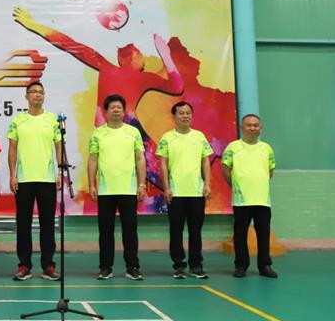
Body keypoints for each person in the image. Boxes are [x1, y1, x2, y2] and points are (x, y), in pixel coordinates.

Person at [12, 6, 183, 210]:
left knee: (154, 168)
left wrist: (166, 56)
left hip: (126, 128)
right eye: (138, 53)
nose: (143, 58)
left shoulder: (132, 74)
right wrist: (32, 24)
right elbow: (68, 44)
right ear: (129, 57)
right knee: (139, 168)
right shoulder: (114, 70)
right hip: (108, 131)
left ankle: (169, 197)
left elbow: (177, 88)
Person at [7, 81, 62, 281]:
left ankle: (48, 266)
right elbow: (12, 149)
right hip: (24, 180)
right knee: (23, 225)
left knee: (48, 225)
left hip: (47, 180)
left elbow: (59, 147)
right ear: (26, 96)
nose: (37, 95)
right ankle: (24, 266)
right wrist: (12, 175)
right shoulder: (18, 120)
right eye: (33, 92)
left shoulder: (53, 120)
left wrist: (59, 173)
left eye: (41, 92)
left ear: (44, 96)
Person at [88, 94, 146, 280]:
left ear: (124, 111)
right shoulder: (98, 133)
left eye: (119, 107)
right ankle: (106, 268)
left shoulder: (133, 132)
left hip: (128, 190)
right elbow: (93, 159)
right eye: (112, 107)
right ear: (105, 111)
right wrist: (91, 184)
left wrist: (142, 183)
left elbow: (140, 159)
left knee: (130, 231)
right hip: (105, 190)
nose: (116, 110)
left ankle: (132, 267)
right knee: (105, 231)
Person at [157, 101, 213, 279]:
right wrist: (166, 187)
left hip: (196, 192)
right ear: (173, 117)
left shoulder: (199, 136)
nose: (185, 116)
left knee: (195, 231)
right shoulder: (167, 138)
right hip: (176, 192)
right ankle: (179, 265)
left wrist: (207, 184)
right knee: (176, 230)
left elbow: (205, 161)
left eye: (188, 113)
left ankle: (196, 265)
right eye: (181, 113)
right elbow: (163, 164)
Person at [221, 114, 278, 278]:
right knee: (240, 235)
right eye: (249, 125)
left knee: (264, 234)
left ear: (260, 128)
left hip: (262, 200)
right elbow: (225, 169)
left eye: (256, 125)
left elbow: (270, 171)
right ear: (242, 128)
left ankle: (265, 266)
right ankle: (241, 266)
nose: (253, 128)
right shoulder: (233, 147)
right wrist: (236, 186)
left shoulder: (266, 148)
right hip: (241, 201)